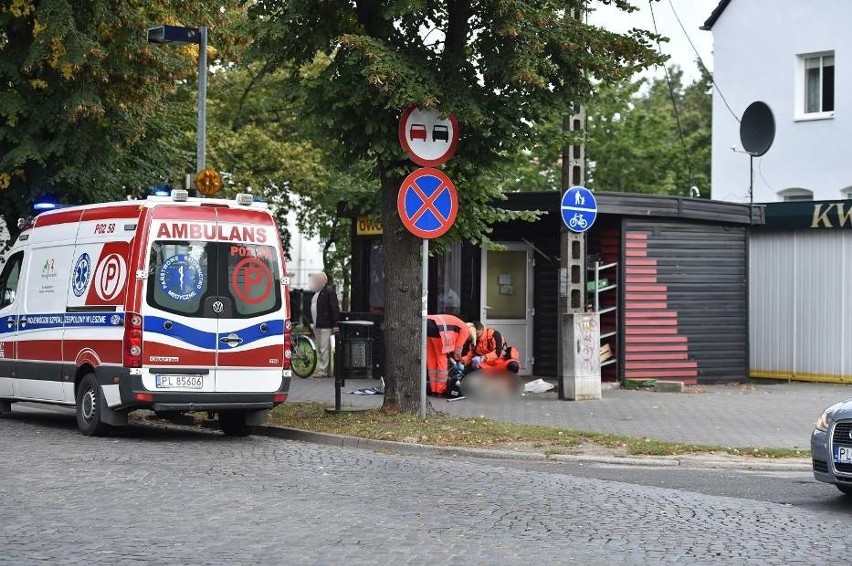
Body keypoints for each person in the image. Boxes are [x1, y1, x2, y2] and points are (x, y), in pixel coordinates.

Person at [426, 314, 470, 396]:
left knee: (431, 360)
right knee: (441, 361)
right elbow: (458, 349)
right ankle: (439, 390)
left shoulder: (458, 323)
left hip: (428, 324)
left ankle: (433, 389)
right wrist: (458, 360)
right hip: (439, 331)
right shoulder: (466, 330)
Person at [309, 272, 339, 378]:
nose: (317, 281)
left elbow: (334, 308)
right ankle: (327, 371)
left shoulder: (329, 291)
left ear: (325, 281)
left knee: (324, 348)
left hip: (326, 325)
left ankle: (323, 371)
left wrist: (335, 324)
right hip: (319, 324)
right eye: (316, 280)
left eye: (319, 280)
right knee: (323, 348)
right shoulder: (320, 292)